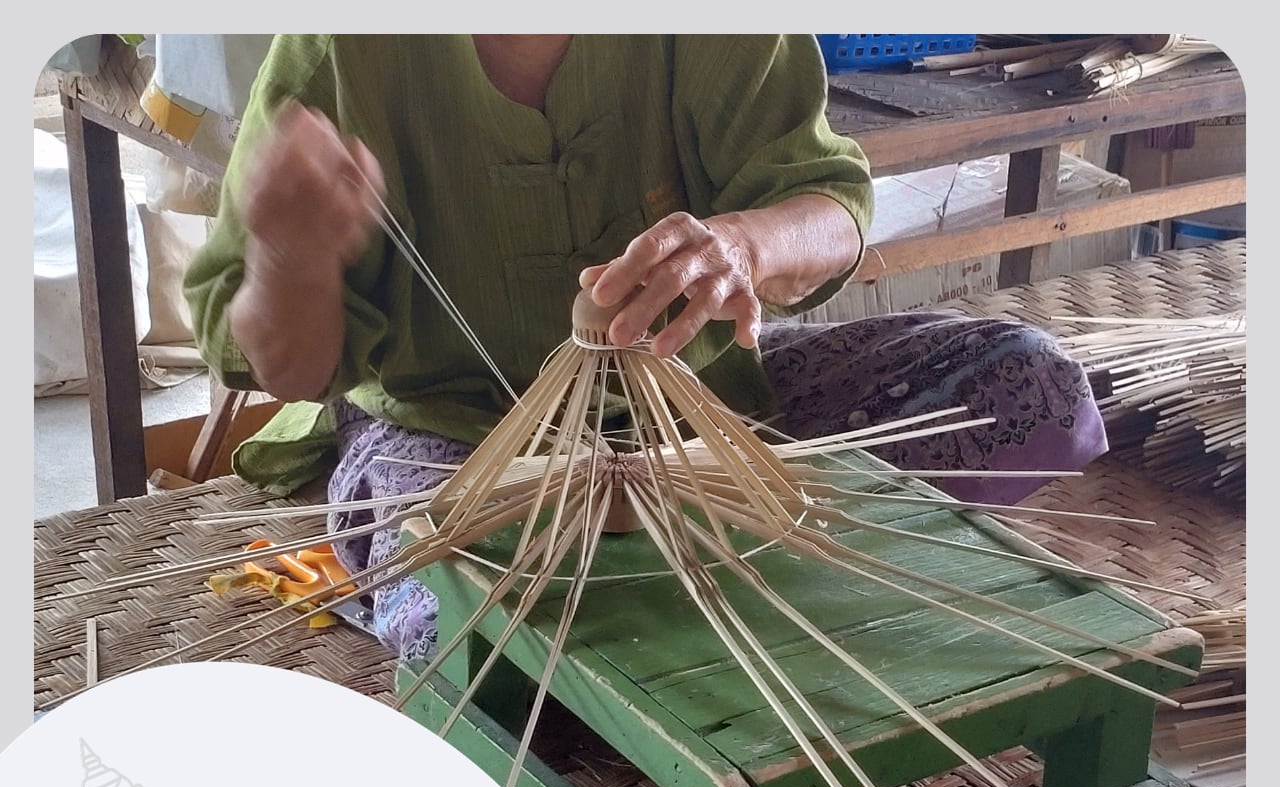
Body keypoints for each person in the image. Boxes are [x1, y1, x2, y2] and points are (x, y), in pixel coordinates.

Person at [185, 34, 1107, 665]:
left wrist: (744, 245)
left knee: (1028, 387)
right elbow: (285, 368)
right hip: (457, 445)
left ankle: (704, 575)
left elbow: (830, 208)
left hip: (712, 418)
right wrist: (287, 256)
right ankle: (704, 595)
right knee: (471, 642)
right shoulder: (340, 52)